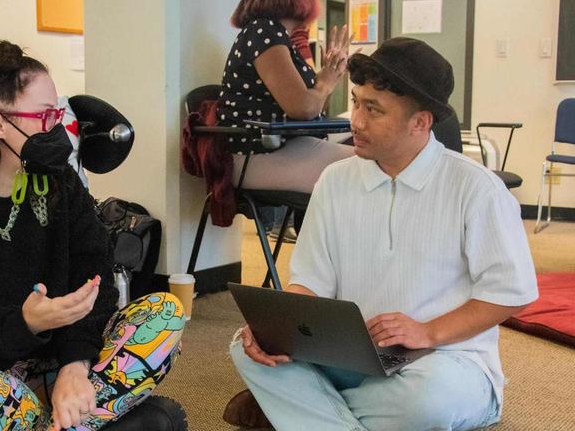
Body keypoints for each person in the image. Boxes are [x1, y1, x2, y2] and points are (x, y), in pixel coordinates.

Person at [226, 37, 538, 430]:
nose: (355, 120)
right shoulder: (334, 181)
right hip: (348, 357)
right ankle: (310, 411)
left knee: (427, 404)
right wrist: (278, 329)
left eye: (373, 110)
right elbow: (309, 283)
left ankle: (301, 413)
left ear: (420, 122)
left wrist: (428, 331)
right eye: (356, 101)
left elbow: (511, 293)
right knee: (245, 348)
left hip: (445, 360)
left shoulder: (476, 188)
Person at [0, 40, 185, 431]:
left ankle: (62, 418)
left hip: (53, 372)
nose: (57, 129)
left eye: (58, 114)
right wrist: (25, 322)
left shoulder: (60, 183)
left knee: (164, 313)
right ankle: (85, 421)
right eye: (45, 116)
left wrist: (74, 366)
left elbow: (96, 287)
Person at [217, 0, 355, 199]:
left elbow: (314, 110)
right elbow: (303, 108)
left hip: (279, 145)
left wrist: (330, 73)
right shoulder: (264, 31)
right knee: (369, 164)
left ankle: (318, 229)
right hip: (254, 155)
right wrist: (327, 81)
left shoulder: (278, 37)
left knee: (368, 146)